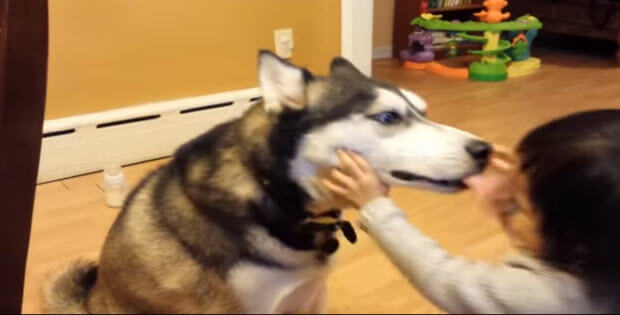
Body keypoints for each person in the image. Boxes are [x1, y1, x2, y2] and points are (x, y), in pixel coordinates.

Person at [320, 109, 620, 313]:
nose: (505, 204)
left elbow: (442, 275)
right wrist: (519, 178)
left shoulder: (547, 297)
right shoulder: (604, 251)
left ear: (579, 243)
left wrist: (376, 207)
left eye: (518, 206)